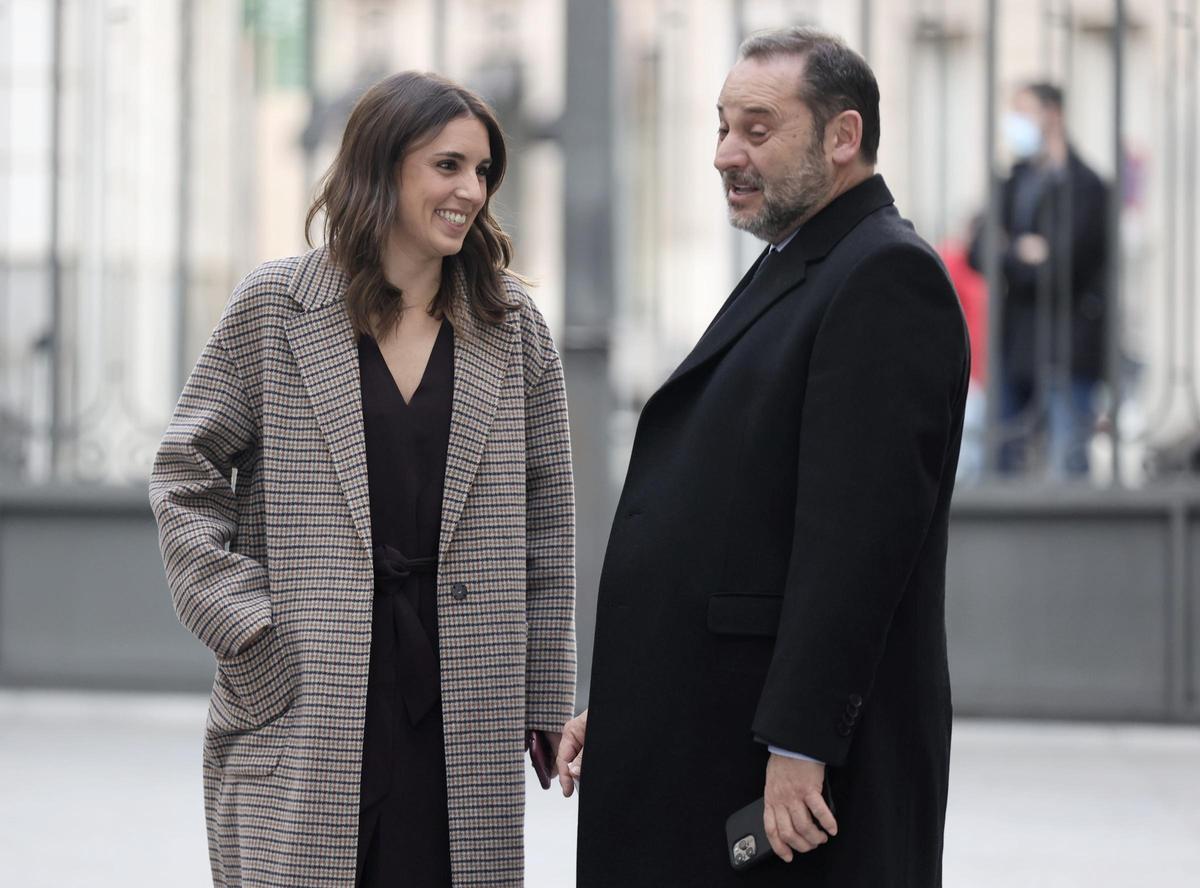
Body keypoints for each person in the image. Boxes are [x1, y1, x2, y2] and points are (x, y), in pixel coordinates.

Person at [558, 27, 969, 887]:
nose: (723, 154)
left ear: (843, 136)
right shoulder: (807, 261)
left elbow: (858, 545)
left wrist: (802, 743)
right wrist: (632, 705)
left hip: (781, 770)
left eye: (756, 129)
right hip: (713, 729)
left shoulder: (885, 277)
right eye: (721, 127)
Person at [149, 71, 576, 888]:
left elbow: (548, 521)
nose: (471, 190)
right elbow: (183, 475)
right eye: (447, 165)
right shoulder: (275, 305)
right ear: (382, 167)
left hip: (462, 693)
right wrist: (250, 630)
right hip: (307, 687)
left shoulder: (511, 326)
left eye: (483, 171)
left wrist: (544, 692)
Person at [969, 82, 1109, 478]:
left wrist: (1008, 249)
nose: (1015, 121)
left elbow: (1063, 266)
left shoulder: (1087, 186)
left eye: (1025, 110)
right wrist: (1022, 250)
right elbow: (977, 249)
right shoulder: (1014, 180)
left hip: (1067, 346)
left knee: (1066, 467)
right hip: (1016, 345)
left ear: (1054, 114)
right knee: (1000, 467)